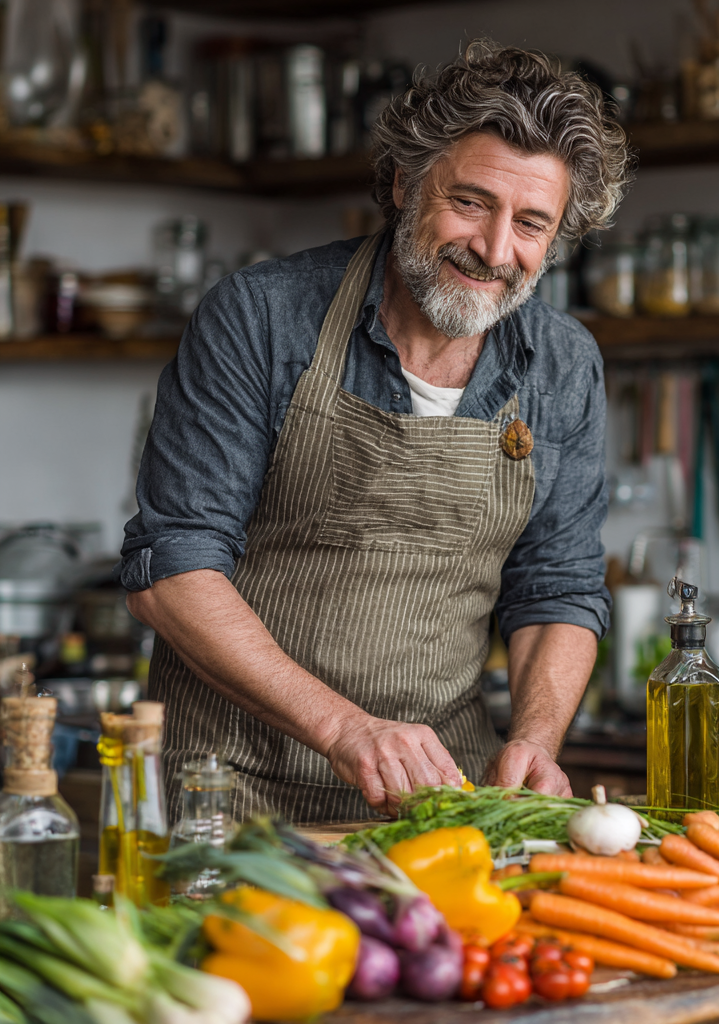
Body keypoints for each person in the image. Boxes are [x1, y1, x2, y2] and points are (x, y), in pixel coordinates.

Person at [120, 40, 633, 822]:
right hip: (233, 795)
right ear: (404, 183)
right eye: (470, 203)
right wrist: (345, 730)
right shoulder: (262, 318)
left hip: (444, 801)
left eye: (531, 223)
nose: (496, 251)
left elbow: (557, 588)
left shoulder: (562, 365)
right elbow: (173, 567)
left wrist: (536, 737)